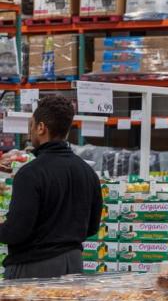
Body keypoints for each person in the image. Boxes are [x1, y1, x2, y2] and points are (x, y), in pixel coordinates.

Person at [0, 95, 101, 279]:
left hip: (33, 270)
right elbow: (92, 227)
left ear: (41, 128)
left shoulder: (30, 174)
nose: (29, 132)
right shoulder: (87, 172)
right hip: (74, 266)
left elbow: (15, 232)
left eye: (31, 126)